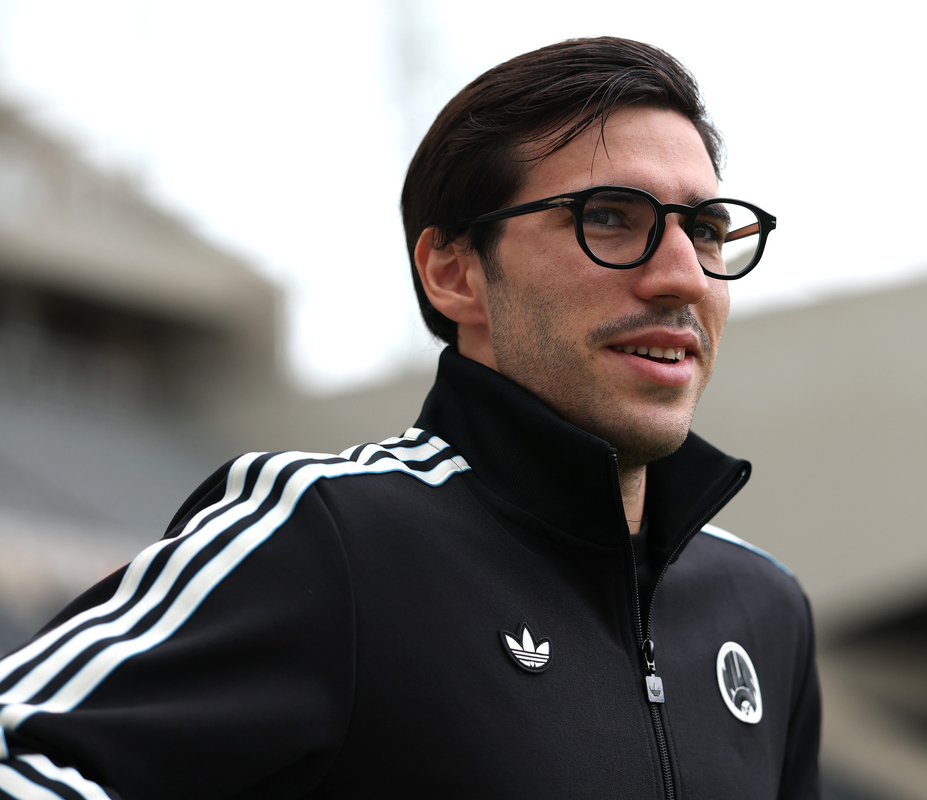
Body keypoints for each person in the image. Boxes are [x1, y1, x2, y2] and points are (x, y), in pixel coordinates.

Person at [0, 37, 820, 799]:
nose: (683, 276)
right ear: (454, 272)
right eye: (608, 216)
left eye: (707, 229)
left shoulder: (764, 607)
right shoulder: (331, 533)